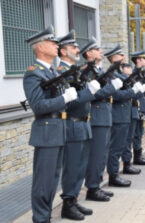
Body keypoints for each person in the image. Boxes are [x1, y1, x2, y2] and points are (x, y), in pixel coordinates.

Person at [23, 25, 78, 223]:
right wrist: (65, 98)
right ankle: (40, 218)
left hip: (58, 130)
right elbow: (38, 106)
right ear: (40, 47)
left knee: (53, 180)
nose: (56, 46)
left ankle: (45, 216)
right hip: (46, 131)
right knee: (43, 181)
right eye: (52, 42)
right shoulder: (33, 73)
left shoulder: (53, 72)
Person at [56, 30, 101, 220]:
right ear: (63, 52)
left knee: (81, 166)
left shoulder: (75, 71)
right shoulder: (61, 74)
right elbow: (70, 102)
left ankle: (73, 199)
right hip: (72, 124)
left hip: (84, 124)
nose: (77, 49)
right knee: (72, 167)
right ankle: (67, 204)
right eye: (73, 47)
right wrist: (90, 92)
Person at [82, 37, 122, 201]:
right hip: (96, 116)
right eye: (96, 49)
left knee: (102, 154)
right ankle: (92, 188)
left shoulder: (99, 72)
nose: (100, 51)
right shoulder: (88, 72)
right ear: (88, 53)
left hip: (105, 115)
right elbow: (94, 94)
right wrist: (112, 88)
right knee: (96, 154)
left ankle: (97, 185)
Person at [105, 44, 145, 187]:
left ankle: (123, 167)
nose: (123, 57)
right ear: (113, 59)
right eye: (119, 55)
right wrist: (132, 91)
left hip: (126, 113)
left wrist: (137, 90)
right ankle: (113, 175)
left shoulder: (121, 74)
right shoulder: (111, 75)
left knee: (124, 143)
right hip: (118, 115)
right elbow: (116, 95)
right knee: (115, 147)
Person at [121, 51, 145, 172]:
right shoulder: (134, 75)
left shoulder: (143, 73)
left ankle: (138, 156)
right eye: (144, 59)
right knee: (135, 133)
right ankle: (135, 157)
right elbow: (135, 92)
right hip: (138, 106)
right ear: (138, 60)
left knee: (140, 132)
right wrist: (138, 107)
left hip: (144, 106)